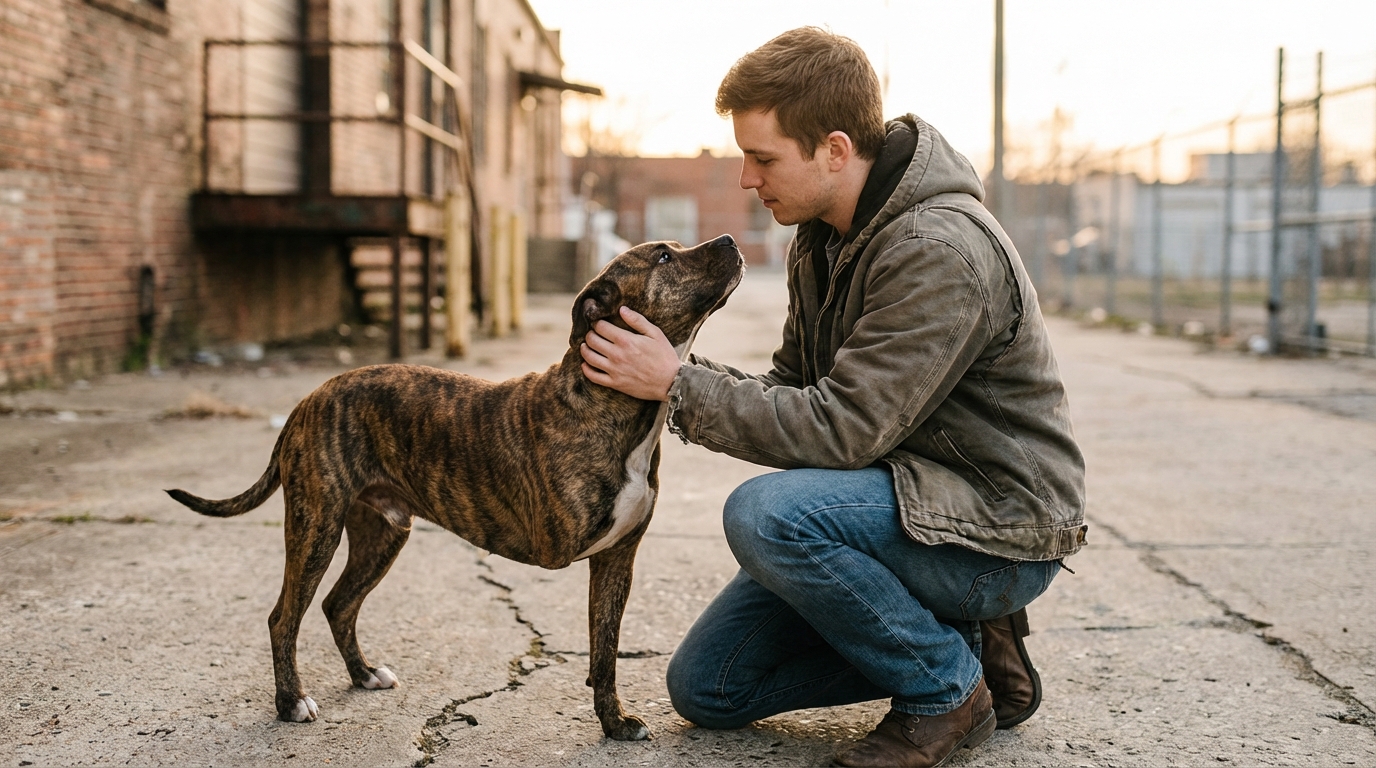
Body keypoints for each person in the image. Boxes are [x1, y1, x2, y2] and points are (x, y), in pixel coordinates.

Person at [578, 26, 1086, 768]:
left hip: (993, 528)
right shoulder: (822, 238)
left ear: (836, 150)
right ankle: (967, 647)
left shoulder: (937, 251)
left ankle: (947, 692)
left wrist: (677, 388)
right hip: (904, 504)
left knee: (764, 514)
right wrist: (668, 374)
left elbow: (841, 430)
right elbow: (794, 391)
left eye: (763, 158)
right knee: (709, 689)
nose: (748, 179)